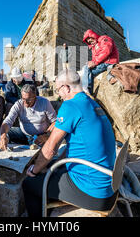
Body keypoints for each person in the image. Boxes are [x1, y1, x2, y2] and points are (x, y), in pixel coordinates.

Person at [22, 70, 117, 217]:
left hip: (92, 192)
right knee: (50, 167)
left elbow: (50, 149)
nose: (58, 94)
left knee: (29, 184)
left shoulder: (70, 106)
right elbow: (74, 144)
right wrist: (54, 164)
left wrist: (34, 170)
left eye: (58, 89)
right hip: (108, 184)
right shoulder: (91, 103)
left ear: (66, 88)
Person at [0, 84, 56, 150]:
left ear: (35, 97)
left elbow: (54, 122)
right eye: (23, 99)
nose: (25, 103)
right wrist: (3, 136)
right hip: (23, 134)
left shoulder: (44, 103)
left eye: (29, 100)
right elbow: (8, 121)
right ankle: (5, 149)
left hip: (39, 135)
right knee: (3, 132)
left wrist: (46, 135)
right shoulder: (18, 104)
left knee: (43, 149)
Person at [81, 29, 119, 95]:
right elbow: (94, 58)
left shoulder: (104, 39)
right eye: (88, 41)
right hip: (102, 63)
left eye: (89, 38)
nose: (89, 41)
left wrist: (95, 62)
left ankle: (86, 91)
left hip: (109, 62)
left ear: (93, 35)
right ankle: (88, 91)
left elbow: (106, 51)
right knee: (87, 69)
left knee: (86, 68)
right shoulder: (94, 47)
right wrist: (91, 62)